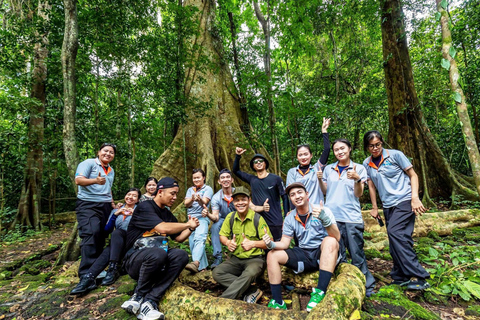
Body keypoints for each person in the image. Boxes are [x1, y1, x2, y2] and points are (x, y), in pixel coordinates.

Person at [120, 177, 200, 320]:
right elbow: (162, 227)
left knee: (181, 255)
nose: (175, 198)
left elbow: (179, 238)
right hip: (135, 260)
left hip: (158, 260)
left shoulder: (167, 214)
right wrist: (187, 224)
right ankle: (137, 297)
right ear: (161, 192)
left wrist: (192, 227)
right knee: (157, 253)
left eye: (176, 194)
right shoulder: (145, 207)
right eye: (172, 193)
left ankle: (150, 301)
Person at [363, 130, 430, 290]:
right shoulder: (367, 163)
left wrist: (415, 198)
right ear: (367, 147)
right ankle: (401, 276)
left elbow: (413, 175)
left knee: (395, 232)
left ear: (382, 143)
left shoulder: (395, 155)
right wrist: (374, 207)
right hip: (388, 205)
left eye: (378, 144)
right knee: (399, 239)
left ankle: (420, 276)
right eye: (371, 146)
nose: (375, 148)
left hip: (405, 200)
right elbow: (371, 185)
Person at [263, 182, 340, 312]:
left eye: (300, 192)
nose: (297, 196)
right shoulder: (290, 217)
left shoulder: (322, 210)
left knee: (330, 241)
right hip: (304, 253)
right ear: (290, 199)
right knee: (272, 254)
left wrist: (325, 220)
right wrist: (272, 244)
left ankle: (319, 292)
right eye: (292, 195)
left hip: (322, 253)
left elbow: (336, 237)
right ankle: (277, 301)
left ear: (307, 194)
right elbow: (285, 243)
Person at [319, 138, 375, 297]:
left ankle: (366, 285)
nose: (339, 152)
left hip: (351, 217)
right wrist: (318, 178)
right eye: (336, 150)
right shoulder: (329, 169)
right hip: (333, 218)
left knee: (356, 253)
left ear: (349, 149)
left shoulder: (359, 168)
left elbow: (358, 194)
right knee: (339, 255)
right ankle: (344, 286)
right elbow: (325, 191)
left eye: (342, 148)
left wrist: (357, 178)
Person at [70, 188, 141, 295]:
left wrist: (135, 215)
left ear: (138, 199)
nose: (130, 197)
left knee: (117, 234)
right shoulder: (116, 210)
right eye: (128, 194)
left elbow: (143, 227)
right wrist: (115, 214)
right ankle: (89, 278)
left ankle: (104, 271)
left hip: (132, 241)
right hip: (118, 242)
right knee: (113, 239)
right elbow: (107, 230)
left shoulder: (140, 210)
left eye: (134, 196)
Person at [212, 186, 272, 303]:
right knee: (217, 272)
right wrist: (228, 242)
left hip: (255, 260)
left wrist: (253, 244)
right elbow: (222, 236)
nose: (240, 203)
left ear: (249, 201)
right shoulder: (231, 217)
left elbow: (269, 242)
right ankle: (252, 290)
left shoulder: (257, 219)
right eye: (237, 200)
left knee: (249, 273)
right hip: (236, 259)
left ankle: (223, 301)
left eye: (243, 199)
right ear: (233, 202)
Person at [74, 143, 116, 281]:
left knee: (101, 235)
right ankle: (86, 272)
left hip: (105, 205)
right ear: (99, 152)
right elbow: (78, 180)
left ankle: (97, 268)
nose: (108, 154)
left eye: (111, 152)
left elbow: (109, 188)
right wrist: (95, 181)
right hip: (88, 204)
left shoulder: (111, 170)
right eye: (105, 151)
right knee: (91, 232)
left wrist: (112, 203)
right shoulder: (89, 163)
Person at [233, 148, 288, 241]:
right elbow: (236, 171)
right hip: (258, 219)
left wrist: (286, 216)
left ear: (265, 163)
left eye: (261, 161)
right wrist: (238, 156)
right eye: (255, 162)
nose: (258, 163)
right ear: (253, 166)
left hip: (275, 220)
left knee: (277, 245)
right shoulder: (252, 179)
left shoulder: (276, 179)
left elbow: (285, 196)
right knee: (262, 245)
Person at [286, 117, 331, 206]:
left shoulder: (317, 168)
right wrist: (291, 211)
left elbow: (327, 149)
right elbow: (291, 193)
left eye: (306, 154)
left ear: (311, 155)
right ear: (297, 157)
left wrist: (324, 131)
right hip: (300, 210)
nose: (303, 157)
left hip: (316, 209)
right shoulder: (292, 172)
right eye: (300, 155)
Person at [184, 169, 214, 273]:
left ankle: (195, 263)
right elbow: (186, 204)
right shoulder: (190, 190)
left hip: (202, 218)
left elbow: (205, 202)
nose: (196, 179)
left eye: (198, 177)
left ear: (203, 177)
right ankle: (203, 268)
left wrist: (199, 199)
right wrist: (192, 199)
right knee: (193, 243)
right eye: (194, 178)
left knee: (200, 239)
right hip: (191, 219)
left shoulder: (208, 189)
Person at [208, 168, 236, 268]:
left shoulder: (238, 192)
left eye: (228, 177)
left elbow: (251, 207)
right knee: (215, 227)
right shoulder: (216, 197)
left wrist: (262, 207)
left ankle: (238, 255)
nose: (225, 179)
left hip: (238, 218)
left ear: (232, 180)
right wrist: (208, 214)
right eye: (222, 178)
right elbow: (215, 216)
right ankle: (218, 257)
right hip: (224, 219)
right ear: (219, 181)